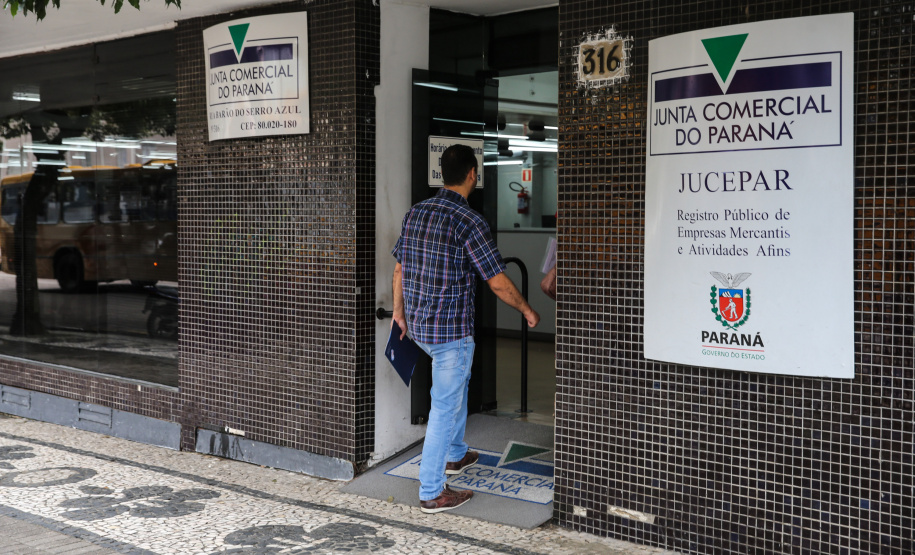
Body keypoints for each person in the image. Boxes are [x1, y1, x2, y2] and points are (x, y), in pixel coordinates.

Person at [391, 144, 540, 514]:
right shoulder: (469, 221)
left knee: (456, 386)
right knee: (443, 405)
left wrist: (399, 313)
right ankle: (431, 491)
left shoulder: (416, 213)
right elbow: (496, 281)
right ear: (472, 174)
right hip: (450, 333)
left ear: (444, 174)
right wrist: (527, 309)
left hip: (422, 327)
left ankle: (456, 454)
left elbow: (399, 269)